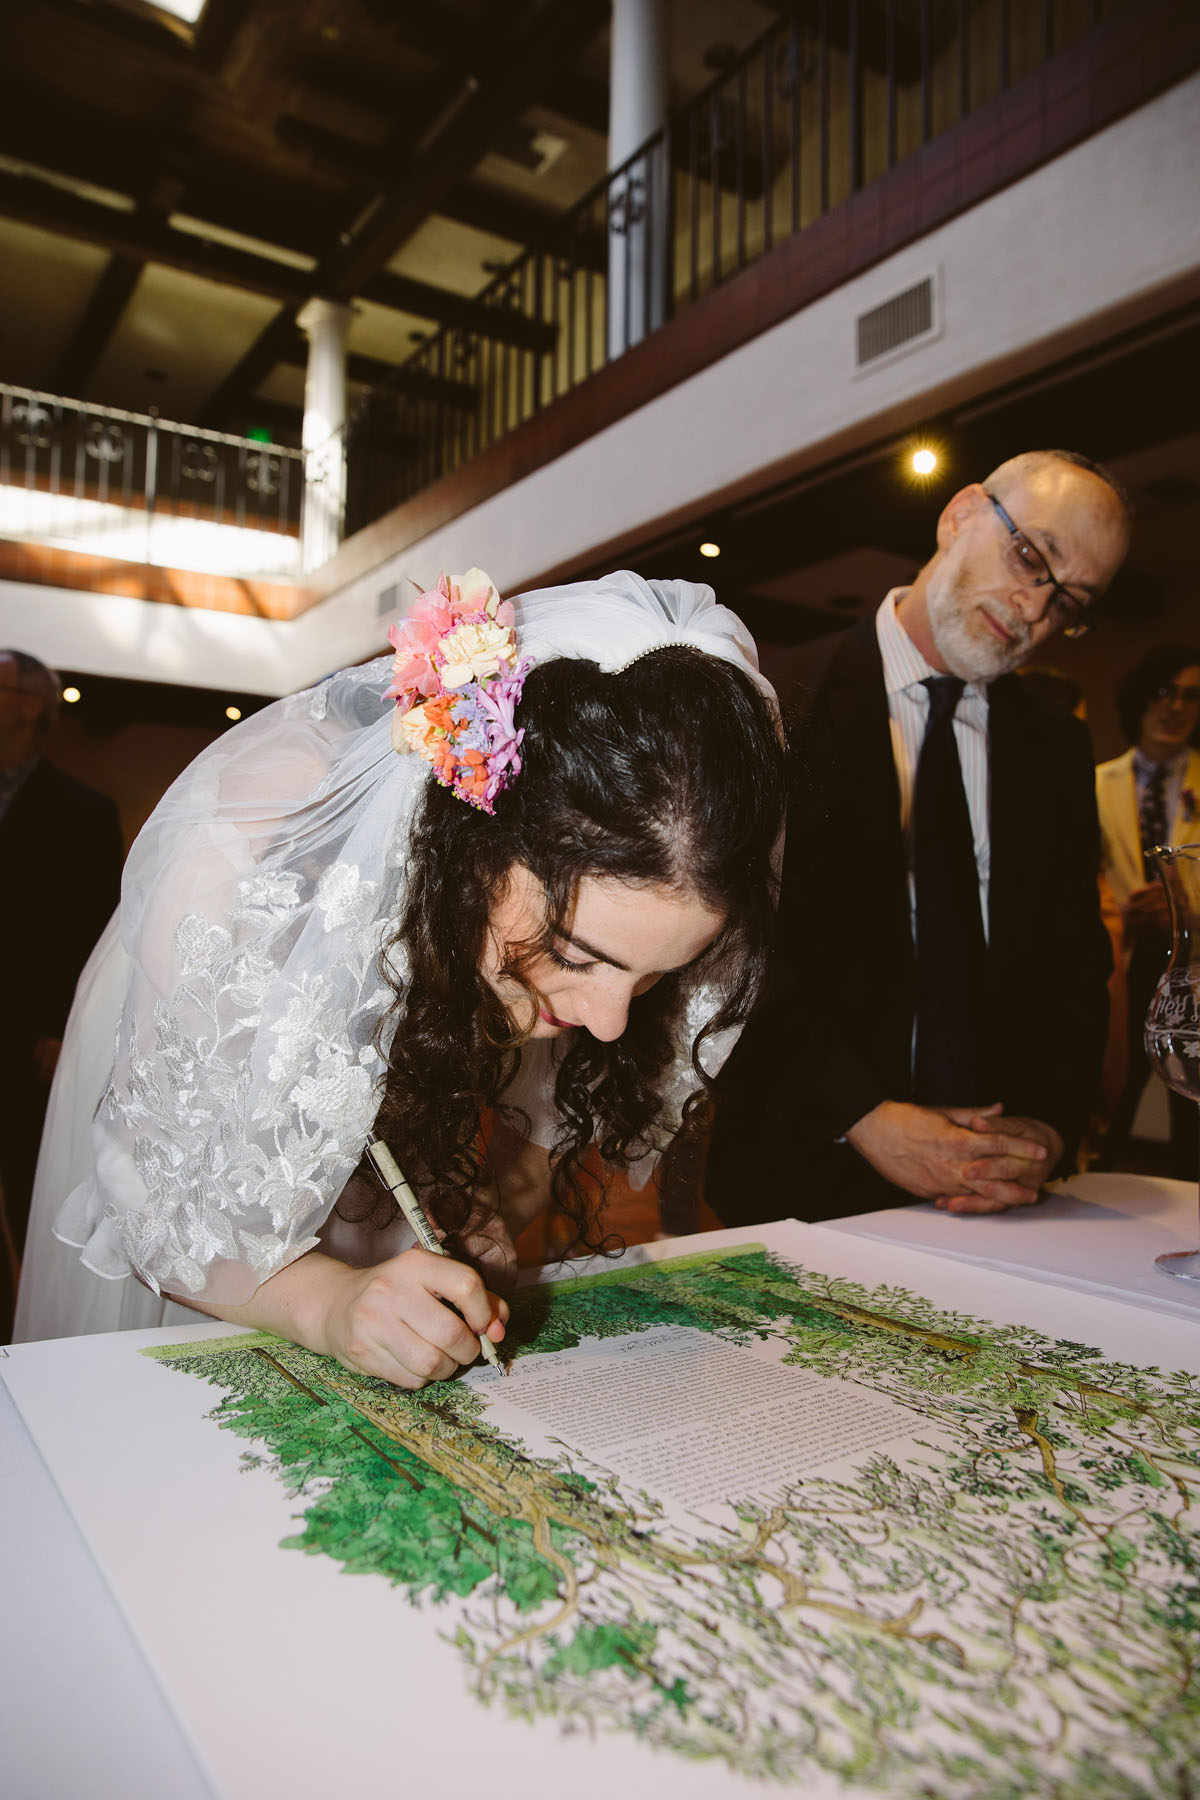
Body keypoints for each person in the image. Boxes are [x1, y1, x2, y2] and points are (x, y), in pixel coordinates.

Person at [15, 571, 786, 1390]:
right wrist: (328, 1304)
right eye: (576, 956)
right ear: (475, 846)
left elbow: (532, 1131)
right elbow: (155, 1208)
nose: (606, 1022)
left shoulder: (581, 919)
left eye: (654, 978)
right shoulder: (234, 874)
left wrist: (483, 1200)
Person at [706, 449, 1131, 1226]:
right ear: (960, 512)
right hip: (803, 1177)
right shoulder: (773, 699)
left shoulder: (1056, 745)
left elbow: (1073, 967)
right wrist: (864, 1116)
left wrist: (1048, 1126)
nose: (1036, 609)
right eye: (1031, 556)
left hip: (997, 1192)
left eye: (1069, 602)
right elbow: (731, 945)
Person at [0, 651, 123, 1310]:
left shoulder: (82, 811)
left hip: (25, 1039)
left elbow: (89, 934)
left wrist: (58, 1031)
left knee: (29, 1182)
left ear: (30, 708)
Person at [1095, 644, 1200, 1175]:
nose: (1175, 707)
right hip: (1119, 963)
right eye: (1163, 693)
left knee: (1192, 1100)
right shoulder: (1094, 782)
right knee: (1111, 1091)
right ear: (1139, 701)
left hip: (1193, 968)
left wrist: (1188, 909)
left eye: (1190, 696)